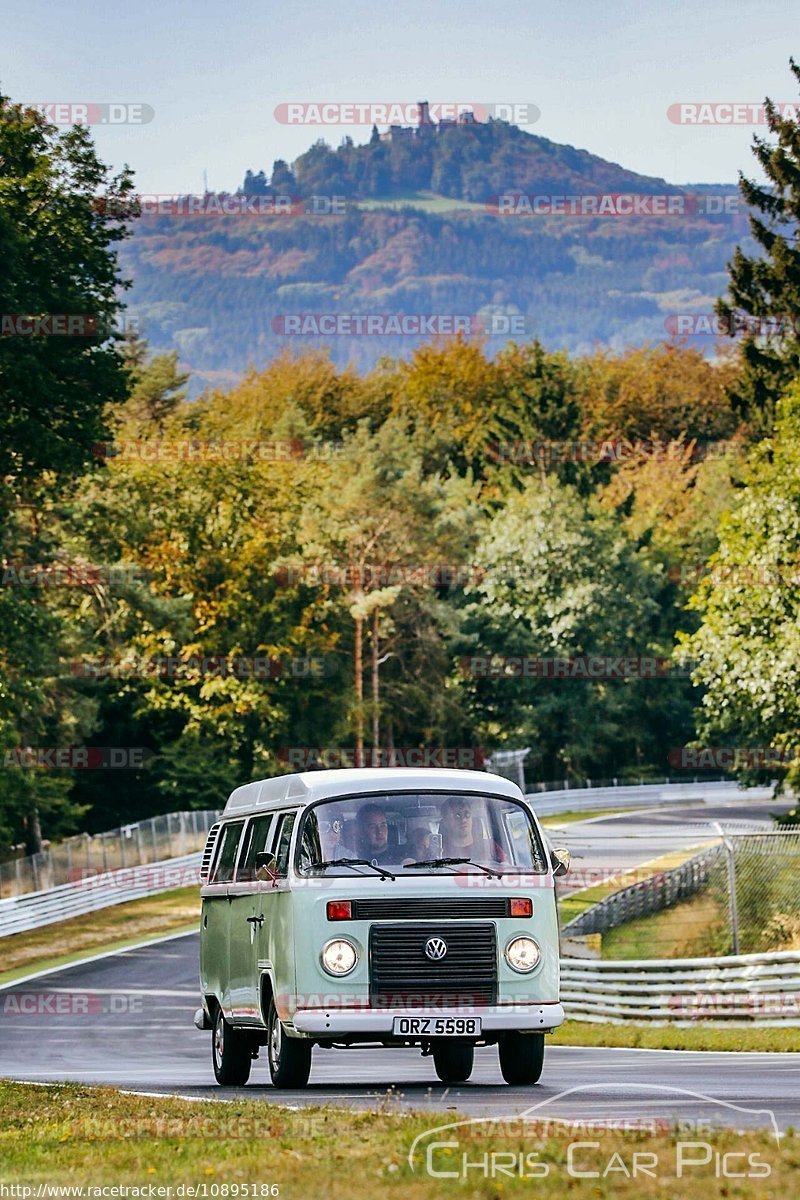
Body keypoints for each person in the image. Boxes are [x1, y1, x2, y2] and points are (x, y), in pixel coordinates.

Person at [438, 795, 506, 863]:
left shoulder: (490, 847)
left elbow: (506, 869)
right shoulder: (439, 852)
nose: (463, 819)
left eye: (467, 814)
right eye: (457, 815)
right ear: (445, 821)